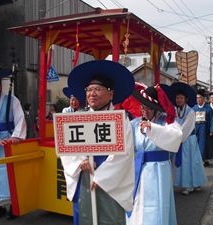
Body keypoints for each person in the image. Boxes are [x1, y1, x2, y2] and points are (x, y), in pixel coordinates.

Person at [59, 60, 135, 225]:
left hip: (110, 180)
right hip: (83, 175)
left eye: (98, 89)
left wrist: (101, 176)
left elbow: (125, 155)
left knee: (110, 217)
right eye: (89, 90)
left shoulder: (122, 120)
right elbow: (66, 150)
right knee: (85, 216)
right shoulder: (76, 118)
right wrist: (81, 161)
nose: (92, 94)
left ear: (111, 94)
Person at [127, 84, 182, 225]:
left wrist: (153, 128)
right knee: (138, 202)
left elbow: (176, 136)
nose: (144, 110)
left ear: (155, 108)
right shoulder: (134, 123)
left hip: (158, 169)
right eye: (142, 107)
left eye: (147, 107)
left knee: (157, 204)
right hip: (138, 168)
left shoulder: (166, 122)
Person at [0, 62, 26, 220]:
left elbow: (20, 118)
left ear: (0, 83)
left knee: (11, 174)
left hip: (10, 141)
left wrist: (16, 136)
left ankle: (13, 206)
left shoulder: (13, 100)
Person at [171, 82, 207, 195]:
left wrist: (177, 137)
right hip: (180, 139)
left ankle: (192, 185)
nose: (179, 100)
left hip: (188, 139)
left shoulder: (191, 112)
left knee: (191, 162)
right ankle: (188, 184)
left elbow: (186, 127)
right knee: (184, 163)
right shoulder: (175, 110)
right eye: (177, 98)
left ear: (186, 99)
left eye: (181, 98)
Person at [193, 89, 213, 167]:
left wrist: (212, 129)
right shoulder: (194, 108)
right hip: (196, 128)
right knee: (196, 144)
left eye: (200, 98)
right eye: (197, 98)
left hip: (205, 129)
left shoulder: (208, 108)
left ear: (203, 99)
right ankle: (198, 159)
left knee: (204, 144)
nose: (198, 99)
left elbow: (212, 119)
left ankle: (205, 160)